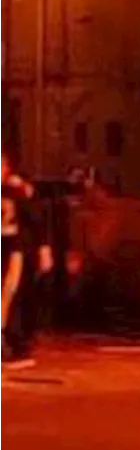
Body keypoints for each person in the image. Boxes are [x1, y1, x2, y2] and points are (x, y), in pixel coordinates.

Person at [0, 153, 52, 362]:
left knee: (9, 291)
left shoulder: (17, 191)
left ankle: (7, 337)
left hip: (13, 247)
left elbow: (35, 218)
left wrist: (43, 248)